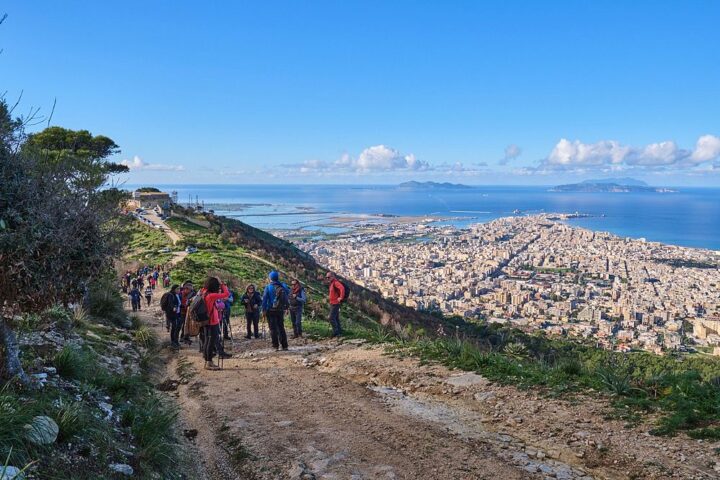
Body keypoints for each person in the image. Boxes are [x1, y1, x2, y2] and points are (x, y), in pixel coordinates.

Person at [200, 276, 231, 370]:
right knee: (211, 341)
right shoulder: (211, 296)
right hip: (212, 322)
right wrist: (222, 283)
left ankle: (207, 360)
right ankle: (209, 362)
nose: (218, 287)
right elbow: (227, 294)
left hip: (205, 321)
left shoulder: (204, 292)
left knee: (207, 340)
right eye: (217, 286)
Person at [261, 271, 290, 351]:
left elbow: (264, 299)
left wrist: (263, 310)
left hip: (270, 310)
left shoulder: (268, 287)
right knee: (281, 327)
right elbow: (288, 294)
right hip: (280, 310)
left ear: (270, 278)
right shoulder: (283, 285)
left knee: (273, 328)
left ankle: (275, 346)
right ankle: (285, 346)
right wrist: (287, 307)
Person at [325, 271, 346, 337]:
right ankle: (339, 331)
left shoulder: (335, 282)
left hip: (335, 303)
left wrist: (341, 297)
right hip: (332, 303)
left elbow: (342, 288)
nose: (327, 278)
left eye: (328, 277)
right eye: (326, 277)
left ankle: (335, 332)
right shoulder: (332, 283)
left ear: (333, 276)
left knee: (331, 318)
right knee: (336, 318)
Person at [179, 281, 195, 345]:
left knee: (187, 325)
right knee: (183, 325)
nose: (191, 291)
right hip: (182, 312)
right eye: (190, 290)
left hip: (188, 312)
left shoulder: (190, 294)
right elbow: (180, 304)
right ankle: (182, 337)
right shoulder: (181, 295)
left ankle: (185, 337)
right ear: (186, 289)